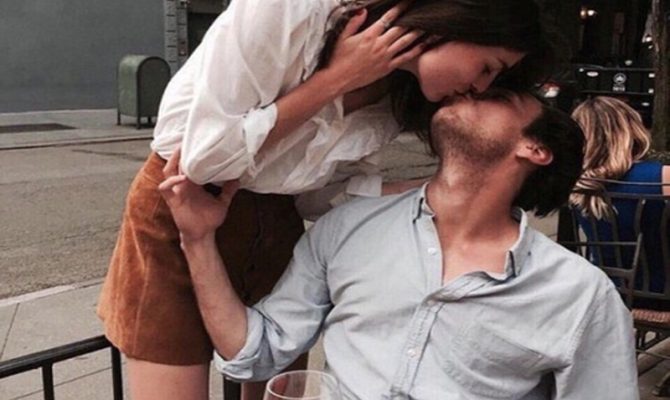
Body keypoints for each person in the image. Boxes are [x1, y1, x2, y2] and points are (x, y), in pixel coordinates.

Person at [97, 0, 558, 398]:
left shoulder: (394, 99)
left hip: (277, 222)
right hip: (182, 207)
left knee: (277, 384)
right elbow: (201, 160)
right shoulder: (295, 10)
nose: (480, 87)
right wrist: (334, 80)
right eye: (488, 67)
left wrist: (446, 192)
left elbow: (316, 198)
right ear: (460, 21)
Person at [160, 89, 638, 399]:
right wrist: (197, 238)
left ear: (535, 149)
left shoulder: (580, 296)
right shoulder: (346, 229)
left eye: (500, 96)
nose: (470, 89)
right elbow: (254, 352)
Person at [570, 96, 670, 301]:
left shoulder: (576, 184)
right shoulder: (661, 176)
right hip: (661, 293)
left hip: (604, 292)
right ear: (631, 129)